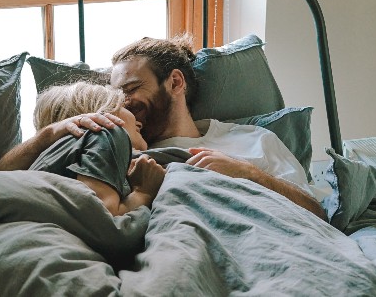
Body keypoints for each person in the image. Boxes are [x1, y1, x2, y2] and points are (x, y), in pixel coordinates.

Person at [110, 35, 327, 221]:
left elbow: (317, 214)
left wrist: (248, 173)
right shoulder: (121, 149)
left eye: (131, 89)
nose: (123, 102)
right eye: (116, 95)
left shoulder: (254, 139)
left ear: (175, 82)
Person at [0, 82, 165, 216]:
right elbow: (105, 220)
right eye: (124, 107)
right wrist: (144, 193)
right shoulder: (104, 135)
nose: (139, 122)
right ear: (101, 112)